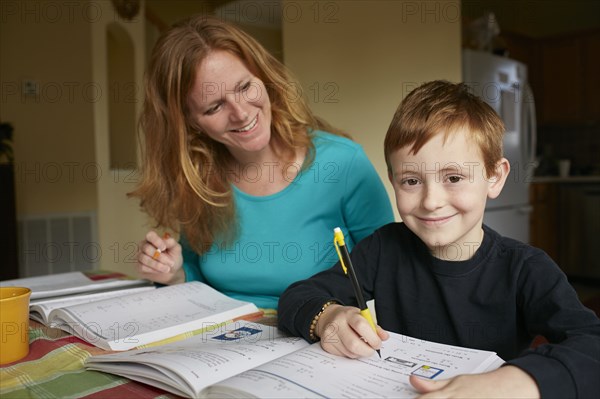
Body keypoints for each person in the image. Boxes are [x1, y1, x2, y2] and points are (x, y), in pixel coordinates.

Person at [278, 80, 600, 398]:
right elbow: (298, 295)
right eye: (412, 180)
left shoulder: (526, 269)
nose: (431, 201)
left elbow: (591, 345)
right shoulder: (382, 248)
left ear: (495, 177)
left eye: (454, 178)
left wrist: (517, 381)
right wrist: (327, 317)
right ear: (393, 180)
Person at [129, 15, 394, 310]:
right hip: (223, 338)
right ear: (190, 123)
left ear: (263, 78)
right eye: (215, 106)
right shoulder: (197, 180)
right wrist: (174, 272)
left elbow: (390, 274)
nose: (241, 114)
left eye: (244, 87)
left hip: (320, 337)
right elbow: (198, 275)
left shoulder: (344, 164)